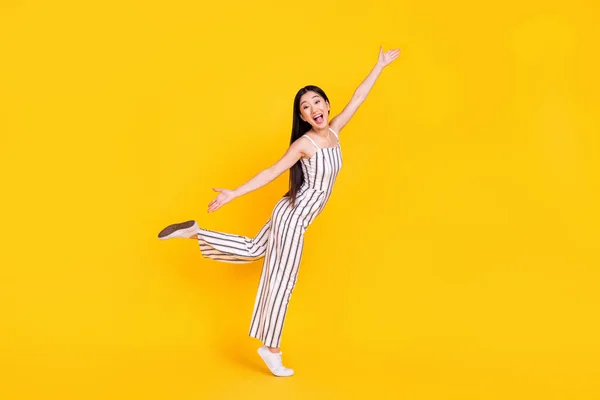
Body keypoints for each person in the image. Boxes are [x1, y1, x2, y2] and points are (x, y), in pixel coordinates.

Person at [157, 46, 401, 377]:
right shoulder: (305, 145)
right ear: (301, 118)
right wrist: (234, 193)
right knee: (283, 281)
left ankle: (196, 232)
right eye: (306, 107)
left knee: (253, 249)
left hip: (288, 212)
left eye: (317, 102)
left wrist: (379, 65)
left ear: (327, 106)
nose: (313, 108)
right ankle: (271, 349)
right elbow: (271, 172)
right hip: (293, 219)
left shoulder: (334, 131)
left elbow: (358, 97)